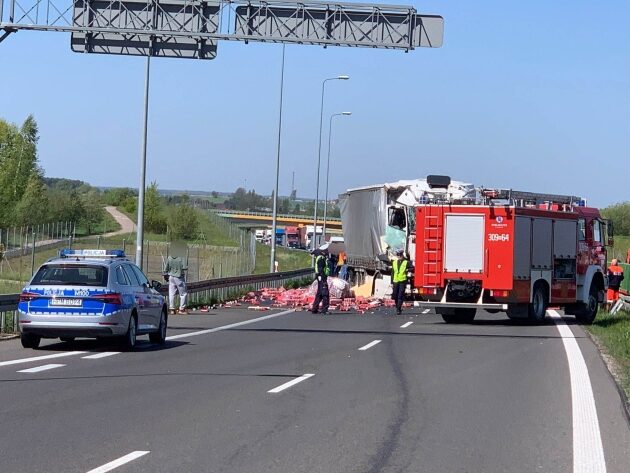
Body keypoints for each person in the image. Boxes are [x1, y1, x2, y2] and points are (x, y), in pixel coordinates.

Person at [391, 249, 411, 315]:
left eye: (400, 255)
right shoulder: (394, 262)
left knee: (400, 295)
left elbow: (412, 268)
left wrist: (407, 270)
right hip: (395, 281)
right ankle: (397, 306)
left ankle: (398, 309)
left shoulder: (406, 262)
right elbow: (393, 273)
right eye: (398, 256)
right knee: (395, 295)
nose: (399, 257)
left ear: (402, 255)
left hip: (402, 281)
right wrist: (391, 282)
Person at [311, 249, 330, 315]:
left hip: (320, 278)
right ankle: (324, 309)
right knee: (325, 294)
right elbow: (321, 269)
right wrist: (323, 278)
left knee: (319, 294)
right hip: (322, 278)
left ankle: (314, 309)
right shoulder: (321, 259)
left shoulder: (319, 258)